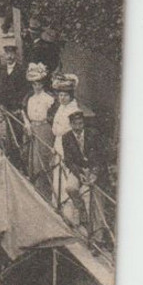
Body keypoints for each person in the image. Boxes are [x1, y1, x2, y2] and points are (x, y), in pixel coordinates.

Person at [61, 110, 108, 235]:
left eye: (80, 124)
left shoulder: (93, 134)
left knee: (95, 201)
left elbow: (102, 157)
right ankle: (81, 210)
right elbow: (69, 161)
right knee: (70, 187)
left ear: (83, 123)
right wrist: (79, 174)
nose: (78, 127)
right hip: (79, 170)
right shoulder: (66, 137)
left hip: (96, 170)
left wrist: (94, 173)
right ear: (70, 125)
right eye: (74, 124)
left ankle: (97, 237)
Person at [23, 63, 56, 200]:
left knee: (43, 158)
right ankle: (35, 187)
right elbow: (24, 112)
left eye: (39, 84)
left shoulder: (48, 99)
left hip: (44, 128)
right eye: (34, 84)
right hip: (32, 128)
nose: (37, 86)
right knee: (31, 158)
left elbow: (52, 116)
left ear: (43, 84)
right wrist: (27, 125)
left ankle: (45, 191)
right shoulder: (30, 99)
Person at [50, 73, 81, 215]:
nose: (62, 98)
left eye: (65, 95)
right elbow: (55, 128)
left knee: (66, 179)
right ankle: (58, 207)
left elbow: (70, 132)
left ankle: (69, 213)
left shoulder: (73, 110)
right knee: (57, 178)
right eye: (60, 95)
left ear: (71, 96)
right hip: (58, 144)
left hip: (68, 147)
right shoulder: (61, 108)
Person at [0, 44, 27, 158]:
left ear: (15, 55)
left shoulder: (21, 70)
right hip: (3, 107)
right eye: (7, 54)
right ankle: (9, 155)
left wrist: (18, 105)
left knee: (17, 133)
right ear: (4, 55)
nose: (9, 57)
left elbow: (24, 90)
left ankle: (18, 158)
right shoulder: (0, 69)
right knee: (6, 132)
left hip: (16, 108)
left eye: (12, 54)